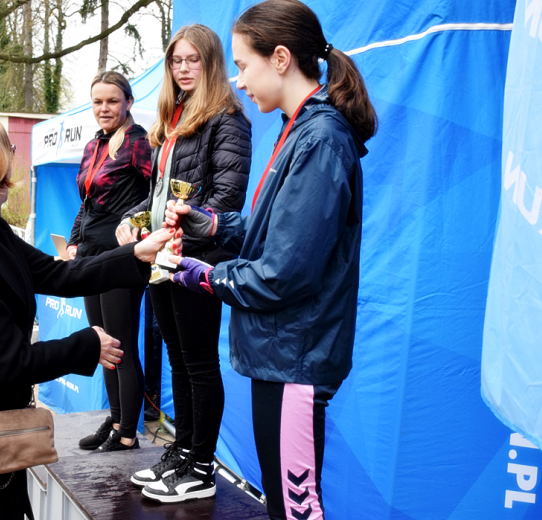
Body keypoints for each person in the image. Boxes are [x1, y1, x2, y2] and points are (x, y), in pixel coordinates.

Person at [164, 2, 377, 518]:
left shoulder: (320, 138)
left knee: (296, 510)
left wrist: (209, 276)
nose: (237, 81)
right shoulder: (297, 128)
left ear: (280, 58)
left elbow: (284, 271)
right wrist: (212, 224)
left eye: (242, 65)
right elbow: (271, 231)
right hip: (282, 356)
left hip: (295, 359)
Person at [0, 107, 170, 520]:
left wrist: (132, 255)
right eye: (5, 149)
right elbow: (10, 362)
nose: (13, 157)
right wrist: (86, 344)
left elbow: (54, 272)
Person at [119, 24, 251, 503]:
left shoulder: (228, 119)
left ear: (211, 63)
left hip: (198, 260)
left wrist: (188, 217)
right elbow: (156, 196)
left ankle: (201, 467)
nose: (183, 68)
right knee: (178, 358)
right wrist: (139, 221)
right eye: (176, 60)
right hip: (162, 256)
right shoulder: (168, 122)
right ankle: (182, 451)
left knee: (198, 362)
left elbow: (227, 201)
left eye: (193, 60)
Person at [67, 71, 153, 452]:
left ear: (128, 103)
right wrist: (73, 242)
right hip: (89, 259)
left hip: (121, 259)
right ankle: (116, 418)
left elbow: (159, 193)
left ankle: (129, 434)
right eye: (98, 101)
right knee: (102, 343)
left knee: (121, 345)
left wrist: (136, 225)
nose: (104, 108)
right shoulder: (93, 145)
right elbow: (86, 204)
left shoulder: (139, 143)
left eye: (112, 101)